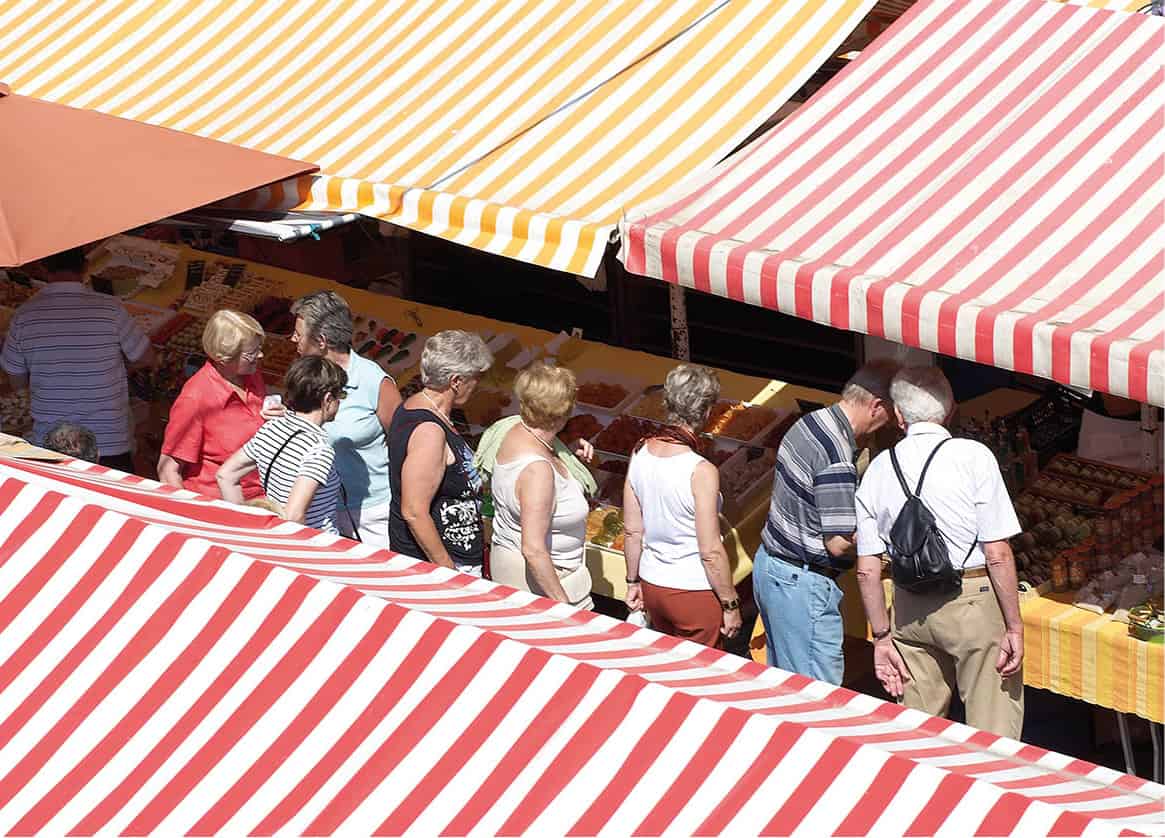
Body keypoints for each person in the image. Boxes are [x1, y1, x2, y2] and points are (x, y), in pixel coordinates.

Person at [854, 366, 1024, 738]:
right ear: (950, 409)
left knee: (918, 734)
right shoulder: (973, 457)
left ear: (898, 415)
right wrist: (1014, 626)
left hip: (909, 605)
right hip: (972, 602)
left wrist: (881, 638)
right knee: (992, 734)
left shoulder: (879, 469)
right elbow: (997, 552)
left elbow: (866, 570)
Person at [753, 360, 898, 684]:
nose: (893, 422)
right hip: (801, 586)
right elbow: (837, 542)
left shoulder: (810, 422)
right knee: (816, 698)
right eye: (892, 410)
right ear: (876, 406)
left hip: (773, 570)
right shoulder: (837, 453)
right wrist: (883, 537)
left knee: (785, 686)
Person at [1, 246, 155, 472]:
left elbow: (16, 380)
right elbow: (147, 357)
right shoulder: (111, 308)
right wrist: (113, 368)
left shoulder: (24, 315)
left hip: (52, 443)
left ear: (43, 268)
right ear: (85, 267)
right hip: (109, 439)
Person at [623, 364, 741, 647]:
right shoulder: (700, 470)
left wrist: (632, 581)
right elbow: (711, 550)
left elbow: (632, 531)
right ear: (707, 411)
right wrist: (730, 604)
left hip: (653, 584)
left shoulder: (640, 451)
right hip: (693, 591)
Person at [290, 291, 401, 545]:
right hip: (318, 507)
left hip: (372, 513)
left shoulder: (374, 382)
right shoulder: (305, 377)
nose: (293, 339)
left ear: (320, 341)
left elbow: (403, 444)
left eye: (298, 334)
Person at [487, 362, 594, 608]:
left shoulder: (512, 431)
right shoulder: (538, 472)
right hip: (546, 587)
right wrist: (565, 609)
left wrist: (565, 448)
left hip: (512, 571)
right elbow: (534, 549)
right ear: (563, 413)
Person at [388, 330, 493, 574]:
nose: (478, 385)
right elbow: (414, 511)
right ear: (456, 381)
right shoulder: (429, 432)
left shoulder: (422, 408)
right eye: (476, 377)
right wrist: (446, 568)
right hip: (438, 566)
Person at [157, 310, 280, 499]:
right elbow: (168, 471)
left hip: (262, 496)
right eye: (251, 353)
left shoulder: (251, 375)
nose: (261, 355)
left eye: (259, 348)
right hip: (218, 503)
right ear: (223, 358)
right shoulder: (196, 398)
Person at [217, 356, 346, 534]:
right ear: (328, 399)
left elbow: (226, 475)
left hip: (271, 533)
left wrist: (244, 524)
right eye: (341, 396)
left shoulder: (272, 427)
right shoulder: (318, 450)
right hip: (312, 545)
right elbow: (294, 516)